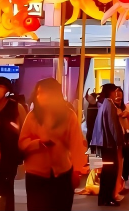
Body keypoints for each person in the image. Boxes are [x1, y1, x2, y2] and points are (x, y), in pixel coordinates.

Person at [18, 78, 89, 212]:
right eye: (38, 93)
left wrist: (77, 171)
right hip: (36, 174)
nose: (40, 96)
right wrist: (38, 143)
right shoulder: (32, 116)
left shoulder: (68, 116)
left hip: (62, 174)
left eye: (44, 92)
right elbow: (22, 142)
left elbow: (77, 145)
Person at [90, 83, 126, 205]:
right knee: (110, 172)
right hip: (108, 144)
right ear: (111, 92)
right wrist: (120, 141)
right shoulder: (109, 105)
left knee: (107, 172)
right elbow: (113, 126)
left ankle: (105, 198)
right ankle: (107, 199)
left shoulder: (104, 104)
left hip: (102, 143)